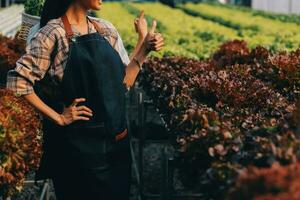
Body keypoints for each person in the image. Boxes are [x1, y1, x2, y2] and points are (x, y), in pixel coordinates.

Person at [6, 0, 164, 199]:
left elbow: (123, 83)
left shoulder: (106, 29)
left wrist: (145, 48)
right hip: (80, 153)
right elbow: (17, 82)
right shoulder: (53, 34)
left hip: (117, 148)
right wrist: (58, 117)